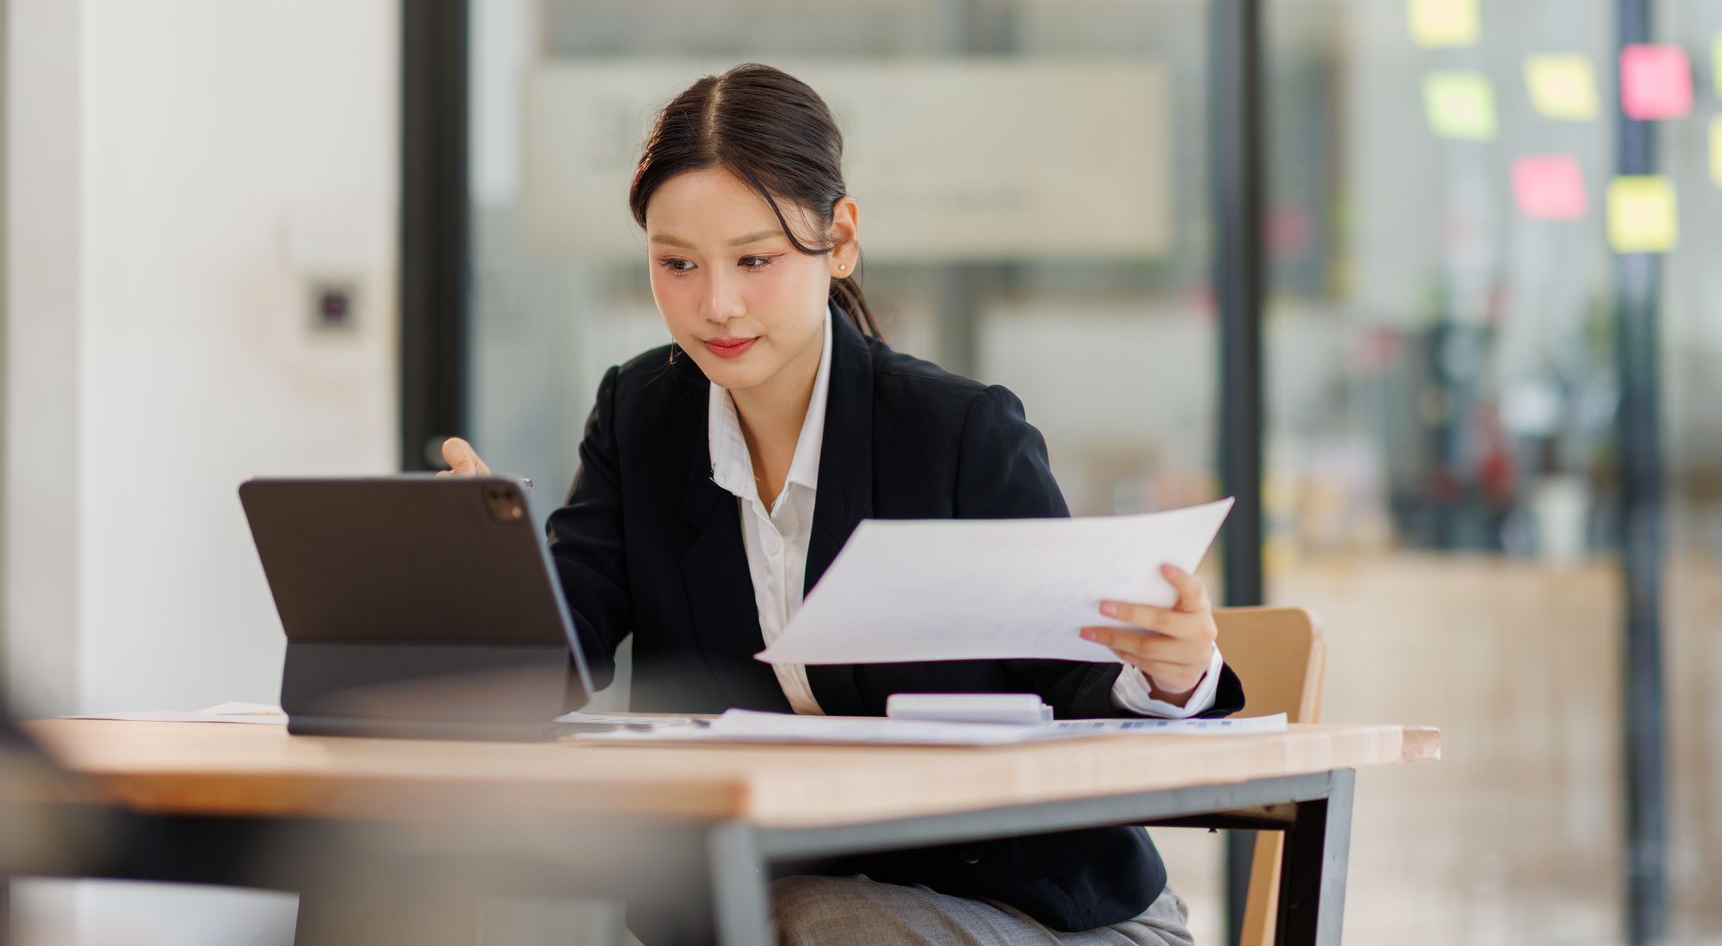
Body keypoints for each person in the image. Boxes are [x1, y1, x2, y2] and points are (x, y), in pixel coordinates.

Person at [441, 63, 1244, 945]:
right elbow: (565, 645)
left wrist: (1174, 672)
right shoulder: (641, 418)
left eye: (757, 260)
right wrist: (491, 574)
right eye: (677, 264)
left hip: (1048, 918)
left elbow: (1072, 677)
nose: (718, 303)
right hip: (767, 910)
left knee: (810, 922)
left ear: (841, 238)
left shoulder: (957, 432)